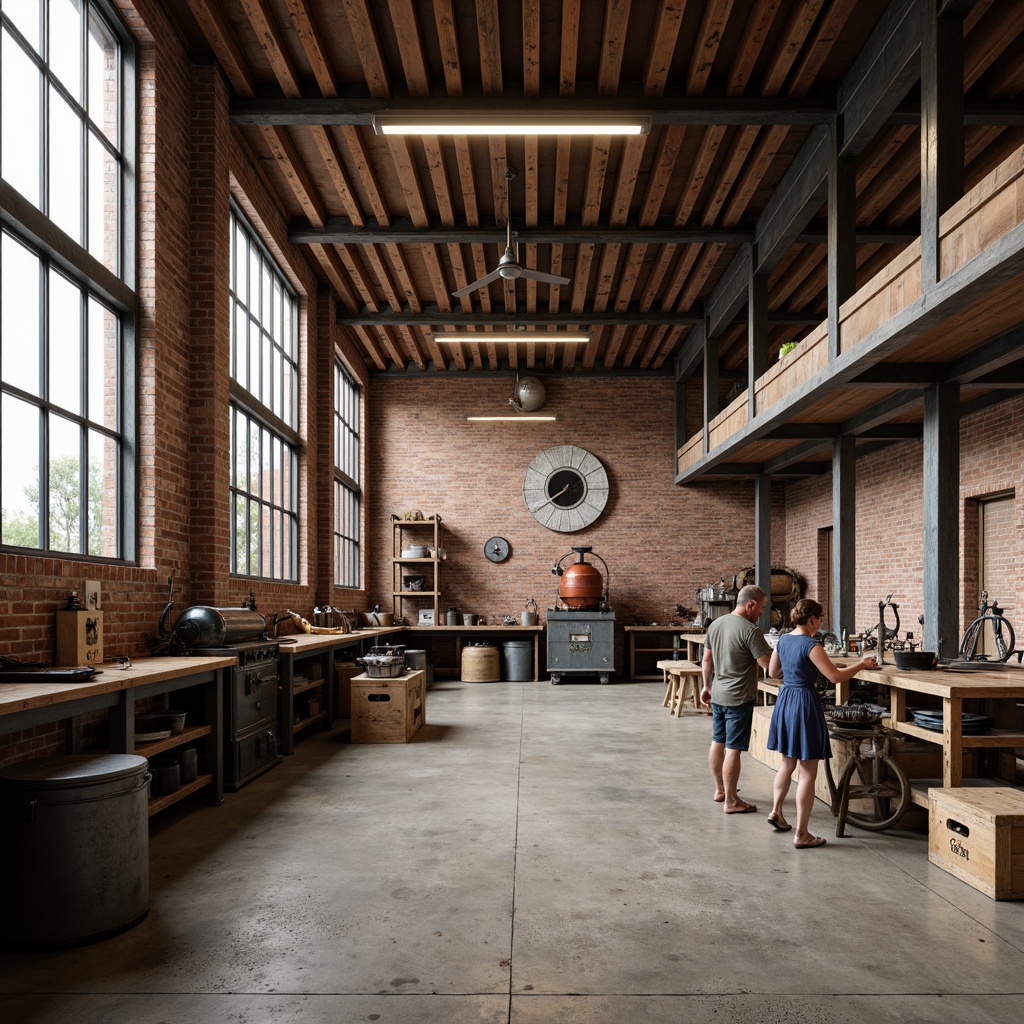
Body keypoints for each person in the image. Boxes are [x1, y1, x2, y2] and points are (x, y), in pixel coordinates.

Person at [765, 598, 876, 849]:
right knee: (807, 771)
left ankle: (776, 811)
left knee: (787, 763)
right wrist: (861, 664)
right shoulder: (811, 644)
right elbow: (835, 677)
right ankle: (802, 834)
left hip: (786, 700)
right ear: (814, 620)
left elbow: (773, 673)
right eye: (820, 619)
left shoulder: (783, 640)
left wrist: (797, 669)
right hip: (804, 702)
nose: (820, 624)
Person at [700, 585, 773, 814]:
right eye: (761, 607)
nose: (761, 612)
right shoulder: (751, 631)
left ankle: (720, 790)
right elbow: (769, 666)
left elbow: (706, 660)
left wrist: (706, 686)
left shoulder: (716, 624)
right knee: (733, 748)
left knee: (717, 741)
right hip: (739, 697)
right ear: (750, 604)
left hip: (719, 694)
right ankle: (731, 801)